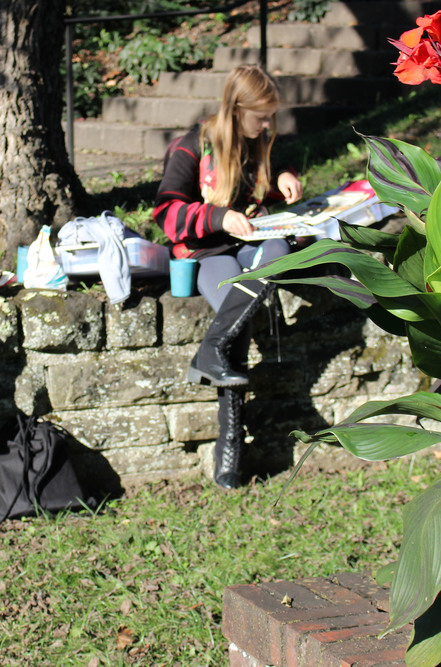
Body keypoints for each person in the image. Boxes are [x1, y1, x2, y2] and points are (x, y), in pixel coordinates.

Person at [153, 64, 303, 489]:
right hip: (208, 251)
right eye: (261, 116)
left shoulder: (259, 143)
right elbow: (166, 212)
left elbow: (260, 187)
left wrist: (284, 176)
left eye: (271, 116)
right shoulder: (190, 147)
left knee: (278, 254)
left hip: (255, 243)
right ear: (236, 110)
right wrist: (219, 216)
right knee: (235, 315)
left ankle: (210, 353)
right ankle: (230, 445)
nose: (268, 124)